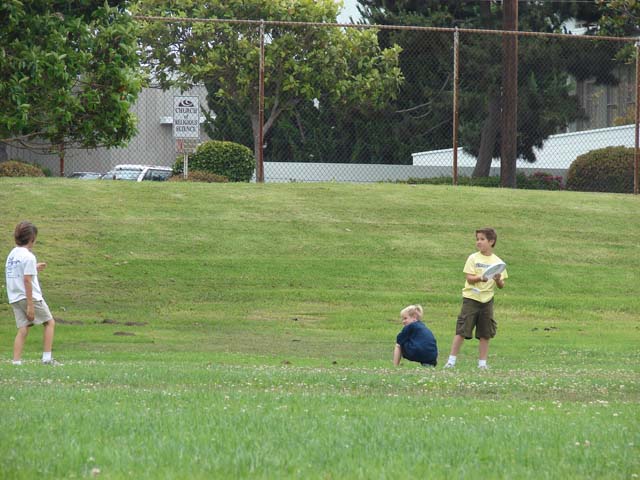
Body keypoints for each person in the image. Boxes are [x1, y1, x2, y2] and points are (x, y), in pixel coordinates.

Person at [444, 228, 507, 370]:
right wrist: (481, 278)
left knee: (485, 333)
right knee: (462, 329)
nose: (478, 242)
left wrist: (498, 279)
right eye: (477, 239)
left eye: (482, 239)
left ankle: (482, 364)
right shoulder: (473, 258)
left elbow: (501, 285)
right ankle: (451, 361)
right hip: (471, 298)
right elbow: (469, 278)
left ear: (491, 241)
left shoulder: (498, 262)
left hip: (487, 300)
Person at [5, 221, 61, 365]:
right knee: (49, 322)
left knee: (23, 329)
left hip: (15, 297)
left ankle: (16, 362)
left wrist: (33, 268)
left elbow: (18, 272)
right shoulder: (29, 256)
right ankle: (47, 359)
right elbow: (27, 280)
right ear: (32, 239)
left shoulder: (12, 254)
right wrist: (30, 305)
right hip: (29, 297)